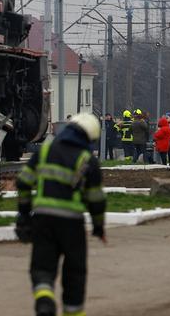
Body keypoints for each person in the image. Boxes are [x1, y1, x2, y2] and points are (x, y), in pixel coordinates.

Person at [15, 113, 107, 316]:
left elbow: (23, 181)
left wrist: (23, 215)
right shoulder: (87, 160)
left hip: (42, 218)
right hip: (72, 223)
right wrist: (99, 226)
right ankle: (72, 311)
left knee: (42, 266)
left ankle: (44, 300)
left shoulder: (46, 150)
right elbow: (96, 199)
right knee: (75, 272)